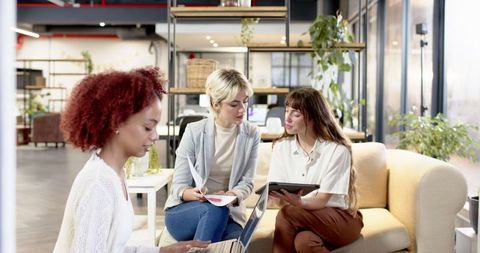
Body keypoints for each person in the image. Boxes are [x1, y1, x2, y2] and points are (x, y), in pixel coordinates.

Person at [53, 67, 209, 253]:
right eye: (147, 127)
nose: (155, 136)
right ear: (116, 122)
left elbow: (113, 248)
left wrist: (163, 251)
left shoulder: (115, 173)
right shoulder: (99, 184)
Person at [164, 68, 260, 243]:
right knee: (215, 211)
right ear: (216, 104)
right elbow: (179, 185)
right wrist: (192, 194)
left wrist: (231, 195)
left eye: (245, 102)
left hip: (229, 213)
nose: (242, 109)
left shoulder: (252, 134)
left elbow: (247, 183)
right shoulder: (194, 131)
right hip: (186, 212)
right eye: (234, 104)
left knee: (235, 242)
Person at [267, 87, 363, 253]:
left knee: (287, 214)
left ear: (313, 118)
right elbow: (278, 193)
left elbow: (322, 200)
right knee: (304, 242)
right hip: (304, 218)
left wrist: (299, 202)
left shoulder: (337, 151)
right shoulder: (280, 148)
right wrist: (274, 196)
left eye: (296, 114)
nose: (287, 118)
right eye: (287, 111)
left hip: (341, 219)